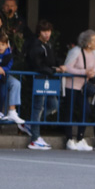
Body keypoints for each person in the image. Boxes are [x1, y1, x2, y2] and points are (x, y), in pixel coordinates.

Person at [26, 20, 65, 150]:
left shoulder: (48, 45)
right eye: (44, 31)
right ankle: (35, 138)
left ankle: (31, 124)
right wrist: (55, 70)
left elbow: (52, 60)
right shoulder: (36, 45)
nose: (47, 34)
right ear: (39, 32)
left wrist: (59, 65)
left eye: (48, 31)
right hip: (40, 78)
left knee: (54, 105)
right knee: (39, 107)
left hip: (47, 78)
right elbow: (38, 65)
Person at [60, 30, 95, 151]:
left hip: (84, 88)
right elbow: (67, 67)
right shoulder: (76, 51)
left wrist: (93, 73)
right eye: (94, 40)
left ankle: (80, 138)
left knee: (86, 110)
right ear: (88, 42)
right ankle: (69, 139)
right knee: (70, 111)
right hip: (71, 85)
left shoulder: (94, 53)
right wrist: (84, 72)